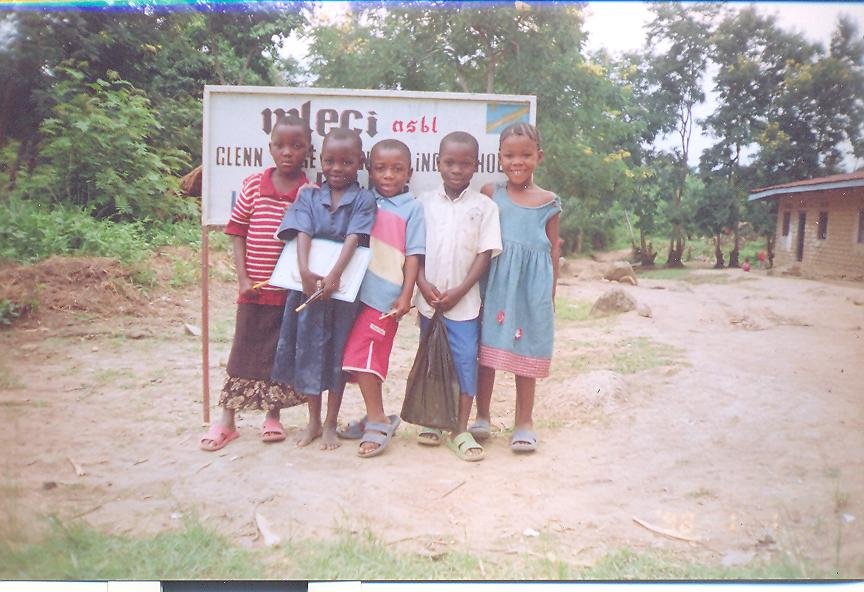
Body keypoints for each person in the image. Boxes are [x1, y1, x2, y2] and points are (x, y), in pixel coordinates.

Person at [199, 114, 310, 451]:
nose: (287, 152)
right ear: (270, 147)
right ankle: (227, 421)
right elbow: (236, 233)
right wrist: (243, 278)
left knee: (278, 353)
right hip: (254, 289)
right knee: (243, 351)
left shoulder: (309, 192)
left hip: (288, 292)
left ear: (307, 150)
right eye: (280, 145)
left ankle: (272, 416)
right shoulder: (252, 185)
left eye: (296, 145)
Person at [271, 127, 377, 450]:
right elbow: (301, 230)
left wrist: (334, 275)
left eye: (346, 162)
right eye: (330, 161)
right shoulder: (308, 195)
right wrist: (304, 270)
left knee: (335, 356)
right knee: (308, 355)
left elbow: (354, 238)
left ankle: (332, 421)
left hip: (341, 293)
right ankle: (313, 421)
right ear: (320, 160)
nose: (336, 168)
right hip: (307, 289)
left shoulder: (364, 198)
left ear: (360, 162)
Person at [473, 122, 561, 454]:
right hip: (495, 283)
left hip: (530, 289)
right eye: (510, 155)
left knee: (526, 352)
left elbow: (553, 249)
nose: (517, 162)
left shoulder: (549, 202)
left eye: (525, 155)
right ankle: (482, 415)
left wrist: (550, 291)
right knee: (486, 351)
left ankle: (524, 421)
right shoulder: (490, 193)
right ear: (499, 158)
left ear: (538, 157)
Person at [414, 131, 502, 462]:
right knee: (433, 361)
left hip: (465, 304)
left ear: (476, 166)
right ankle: (434, 421)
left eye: (465, 164)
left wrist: (461, 291)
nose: (456, 169)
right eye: (449, 162)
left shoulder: (485, 207)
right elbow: (414, 251)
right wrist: (422, 284)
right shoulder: (422, 203)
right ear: (438, 163)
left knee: (466, 361)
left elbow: (484, 254)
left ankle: (460, 429)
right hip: (429, 302)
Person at [340, 139, 425, 458]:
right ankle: (372, 415)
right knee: (357, 358)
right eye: (380, 168)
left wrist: (407, 296)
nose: (388, 175)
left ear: (410, 173)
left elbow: (415, 255)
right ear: (368, 170)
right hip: (354, 296)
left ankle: (377, 420)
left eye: (397, 169)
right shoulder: (363, 200)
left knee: (364, 356)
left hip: (387, 300)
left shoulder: (413, 209)